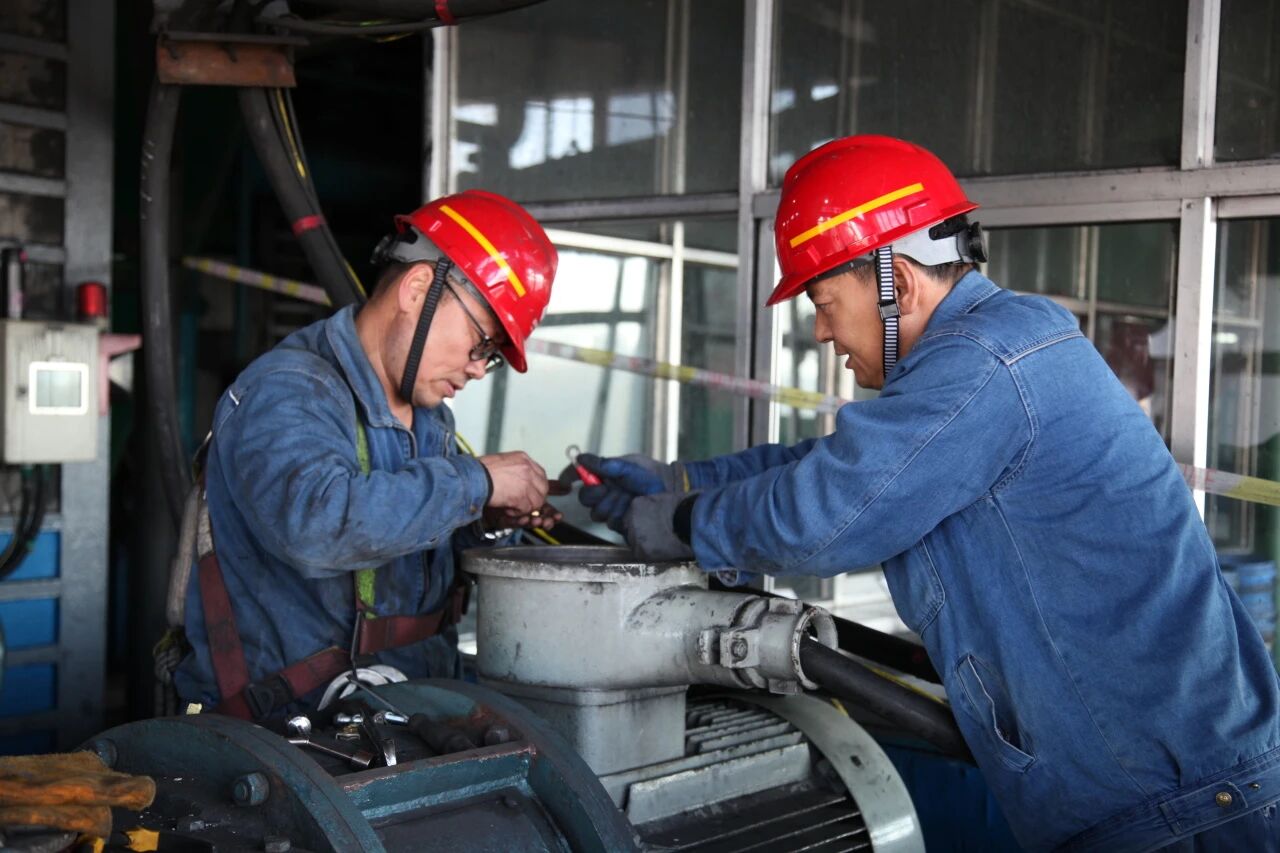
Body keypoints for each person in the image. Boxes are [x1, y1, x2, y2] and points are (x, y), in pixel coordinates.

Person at [575, 136, 1280, 852]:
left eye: (825, 303)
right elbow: (839, 462)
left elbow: (828, 510)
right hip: (1165, 796)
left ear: (900, 284)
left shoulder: (984, 361)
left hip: (1182, 810)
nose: (821, 331)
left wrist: (685, 520)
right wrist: (685, 482)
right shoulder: (990, 352)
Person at [175, 189, 563, 719]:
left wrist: (485, 519)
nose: (478, 368)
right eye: (481, 342)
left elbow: (407, 551)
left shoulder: (430, 417)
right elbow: (317, 526)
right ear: (418, 288)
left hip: (410, 708)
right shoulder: (288, 391)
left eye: (490, 356)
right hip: (284, 729)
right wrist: (477, 482)